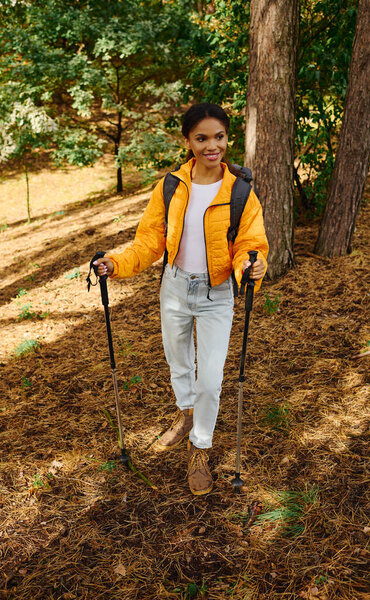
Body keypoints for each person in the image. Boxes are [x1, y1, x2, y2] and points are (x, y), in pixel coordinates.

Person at [94, 103, 269, 496]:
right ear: (188, 141)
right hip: (174, 286)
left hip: (216, 293)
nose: (212, 146)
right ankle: (186, 414)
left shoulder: (241, 191)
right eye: (202, 138)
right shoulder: (172, 185)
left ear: (227, 138)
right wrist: (116, 264)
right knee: (178, 364)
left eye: (219, 137)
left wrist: (250, 268)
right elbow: (150, 240)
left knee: (210, 378)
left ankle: (200, 448)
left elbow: (250, 244)